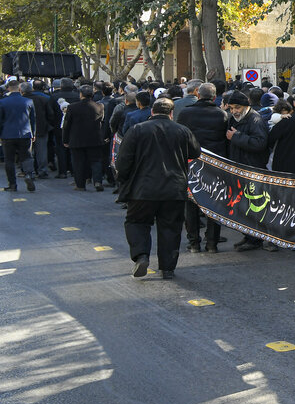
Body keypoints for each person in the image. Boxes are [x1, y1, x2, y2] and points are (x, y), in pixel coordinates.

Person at [114, 97, 200, 280]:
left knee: (136, 222)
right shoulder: (182, 130)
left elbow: (122, 162)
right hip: (174, 188)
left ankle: (141, 255)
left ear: (152, 111)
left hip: (142, 188)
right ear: (171, 113)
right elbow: (195, 152)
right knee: (171, 227)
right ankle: (167, 268)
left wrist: (122, 181)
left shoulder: (137, 130)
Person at [177, 83, 229, 253]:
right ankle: (212, 243)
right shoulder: (221, 114)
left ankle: (193, 243)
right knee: (215, 203)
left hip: (191, 163)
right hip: (215, 165)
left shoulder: (185, 113)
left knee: (191, 203)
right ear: (214, 97)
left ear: (198, 95)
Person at [223, 91, 270, 251]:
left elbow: (260, 143)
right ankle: (248, 235)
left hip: (252, 168)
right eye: (231, 108)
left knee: (253, 206)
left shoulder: (255, 120)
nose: (234, 111)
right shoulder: (234, 119)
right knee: (242, 206)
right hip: (239, 168)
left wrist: (236, 137)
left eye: (237, 107)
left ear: (246, 106)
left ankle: (255, 239)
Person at [63, 84, 105, 191]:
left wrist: (65, 139)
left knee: (78, 162)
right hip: (95, 138)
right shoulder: (99, 106)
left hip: (77, 139)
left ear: (81, 94)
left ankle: (80, 184)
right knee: (96, 161)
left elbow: (66, 125)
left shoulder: (72, 107)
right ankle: (97, 181)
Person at [0, 79, 37, 192]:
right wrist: (33, 132)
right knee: (26, 157)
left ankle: (12, 184)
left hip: (8, 134)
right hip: (25, 133)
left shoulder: (3, 102)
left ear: (8, 88)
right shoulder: (28, 101)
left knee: (9, 160)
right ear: (19, 88)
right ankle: (28, 174)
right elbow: (33, 119)